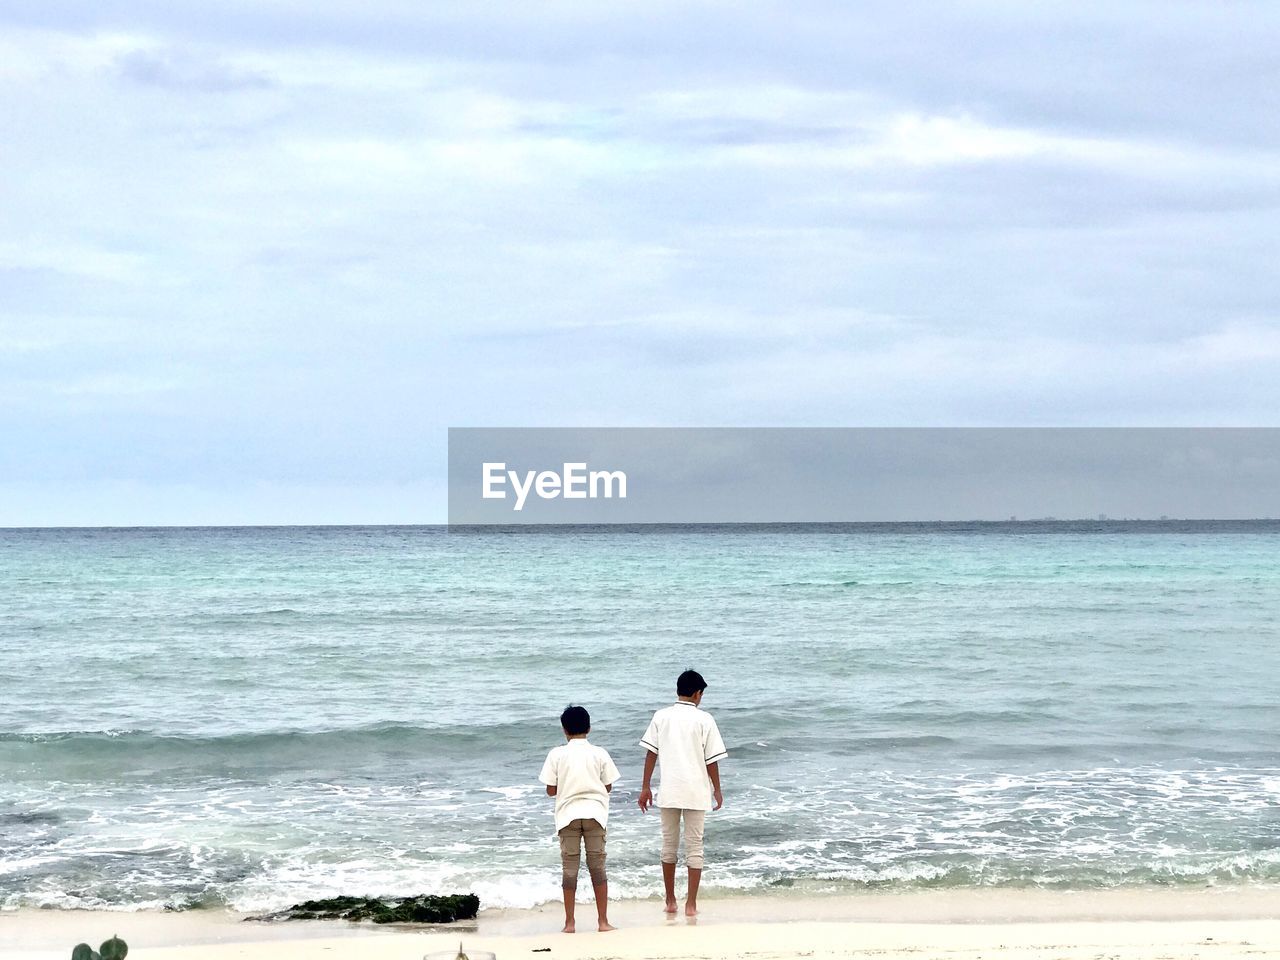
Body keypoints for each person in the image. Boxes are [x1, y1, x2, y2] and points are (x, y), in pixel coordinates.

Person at [637, 669, 727, 917]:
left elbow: (651, 754)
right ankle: (691, 905)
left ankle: (670, 901)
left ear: (678, 690)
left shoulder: (661, 716)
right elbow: (712, 761)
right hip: (697, 792)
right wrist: (717, 789)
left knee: (669, 846)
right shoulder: (704, 719)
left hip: (670, 790)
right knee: (694, 847)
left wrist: (645, 786)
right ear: (697, 694)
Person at [539, 704, 621, 933]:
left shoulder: (557, 754)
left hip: (567, 816)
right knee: (597, 867)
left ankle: (569, 923)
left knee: (570, 869)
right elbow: (609, 785)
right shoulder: (599, 753)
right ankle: (603, 922)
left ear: (564, 730)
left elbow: (550, 790)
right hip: (595, 813)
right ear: (590, 728)